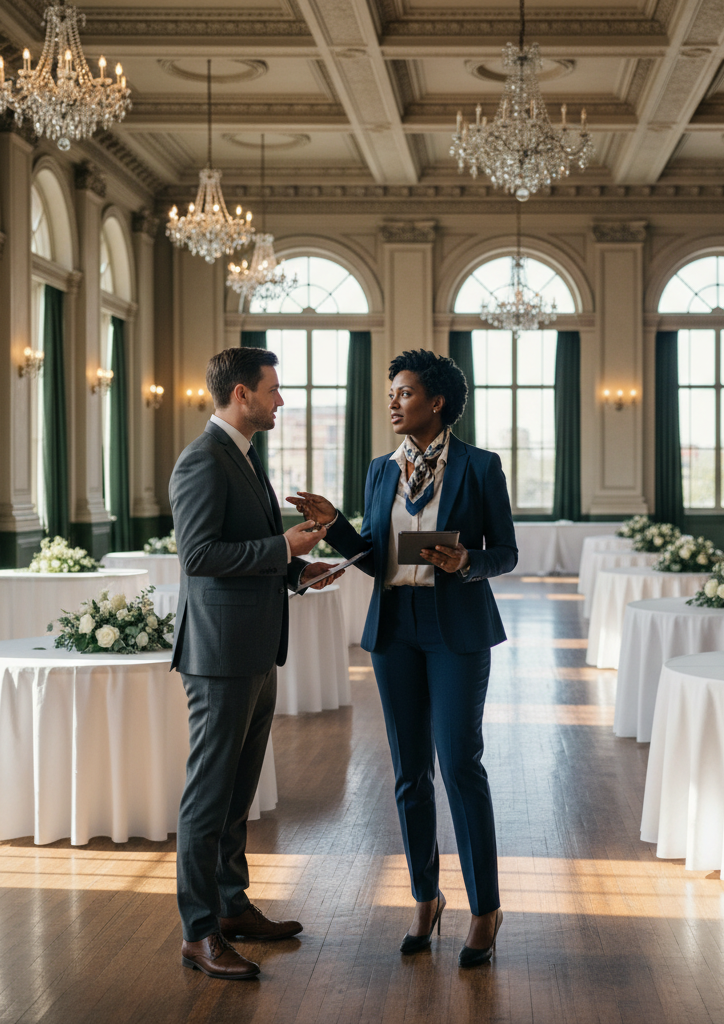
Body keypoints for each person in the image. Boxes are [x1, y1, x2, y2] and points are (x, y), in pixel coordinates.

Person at [288, 349, 517, 967]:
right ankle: (425, 897)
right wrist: (336, 525)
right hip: (395, 630)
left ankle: (486, 908)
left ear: (436, 402)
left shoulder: (480, 467)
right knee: (409, 773)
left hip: (456, 631)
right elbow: (372, 553)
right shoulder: (380, 470)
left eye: (405, 392)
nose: (393, 401)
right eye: (391, 392)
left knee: (461, 765)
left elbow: (507, 553)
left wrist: (467, 561)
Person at [170, 347, 339, 980]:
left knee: (238, 793)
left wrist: (297, 569)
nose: (281, 400)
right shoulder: (202, 461)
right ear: (241, 395)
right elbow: (199, 556)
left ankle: (232, 907)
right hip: (218, 655)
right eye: (273, 389)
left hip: (255, 648)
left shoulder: (241, 457)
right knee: (208, 797)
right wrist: (280, 546)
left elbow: (247, 553)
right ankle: (197, 931)